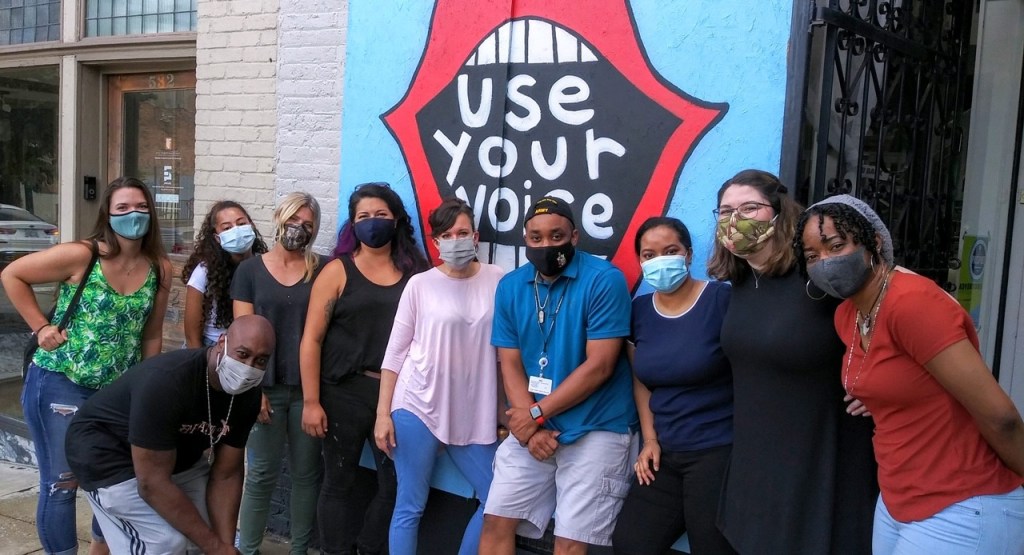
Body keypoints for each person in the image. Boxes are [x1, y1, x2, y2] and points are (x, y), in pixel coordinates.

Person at [796, 194, 1024, 553]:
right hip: (897, 498)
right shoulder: (848, 316)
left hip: (962, 502)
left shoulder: (911, 303)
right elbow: (900, 379)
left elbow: (1002, 417)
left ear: (874, 243)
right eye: (812, 257)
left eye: (835, 246)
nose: (824, 262)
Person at [707, 169, 876, 554]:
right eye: (725, 211)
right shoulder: (737, 285)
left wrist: (883, 382)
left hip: (823, 459)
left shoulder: (821, 277)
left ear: (780, 211)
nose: (736, 220)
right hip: (756, 462)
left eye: (750, 207)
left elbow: (901, 316)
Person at [1, 176, 172, 555]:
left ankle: (101, 549)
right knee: (62, 484)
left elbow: (152, 335)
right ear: (108, 215)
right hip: (61, 381)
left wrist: (147, 389)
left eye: (141, 207)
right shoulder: (84, 254)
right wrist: (41, 326)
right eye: (123, 208)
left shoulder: (160, 267)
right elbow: (12, 275)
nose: (133, 215)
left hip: (117, 394)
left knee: (111, 483)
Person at [478, 196, 638, 554]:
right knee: (495, 521)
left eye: (556, 236)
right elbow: (511, 361)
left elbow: (600, 366)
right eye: (536, 238)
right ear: (525, 239)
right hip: (534, 425)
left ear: (575, 237)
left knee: (568, 544)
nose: (546, 245)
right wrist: (529, 427)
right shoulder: (512, 286)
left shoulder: (604, 280)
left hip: (595, 427)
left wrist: (535, 415)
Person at [64, 314, 275, 555]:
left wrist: (223, 547)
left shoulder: (248, 395)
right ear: (221, 342)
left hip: (171, 458)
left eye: (261, 361)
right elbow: (151, 483)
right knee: (164, 544)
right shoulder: (168, 381)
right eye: (242, 354)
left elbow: (226, 475)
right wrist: (215, 547)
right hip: (106, 454)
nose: (248, 368)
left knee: (203, 534)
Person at [300, 182, 429, 555]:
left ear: (397, 220)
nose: (373, 223)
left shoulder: (416, 275)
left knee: (394, 487)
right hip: (342, 392)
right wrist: (311, 401)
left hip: (397, 395)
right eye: (364, 217)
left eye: (381, 215)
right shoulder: (337, 271)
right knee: (338, 481)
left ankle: (369, 549)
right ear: (352, 225)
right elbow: (311, 339)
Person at [372, 198, 503, 555]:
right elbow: (395, 353)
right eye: (447, 234)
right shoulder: (420, 285)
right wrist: (383, 415)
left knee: (498, 500)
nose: (455, 240)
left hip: (474, 411)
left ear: (475, 236)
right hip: (417, 406)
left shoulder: (499, 280)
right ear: (435, 243)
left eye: (462, 232)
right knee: (409, 506)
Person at [612, 217, 735, 555]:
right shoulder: (638, 311)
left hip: (716, 451)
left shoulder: (721, 300)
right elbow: (641, 381)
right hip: (663, 453)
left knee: (711, 547)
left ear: (688, 255)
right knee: (630, 544)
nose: (659, 260)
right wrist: (649, 441)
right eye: (648, 254)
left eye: (670, 251)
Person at [233, 192, 325, 555]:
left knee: (306, 478)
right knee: (260, 476)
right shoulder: (249, 271)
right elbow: (241, 338)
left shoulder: (322, 269)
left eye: (306, 224)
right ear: (278, 218)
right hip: (264, 391)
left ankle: (300, 550)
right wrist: (251, 392)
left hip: (308, 392)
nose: (298, 229)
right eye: (292, 221)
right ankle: (248, 548)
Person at [182, 201, 268, 348]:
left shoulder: (266, 264)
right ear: (217, 238)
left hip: (254, 347)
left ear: (251, 226)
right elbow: (192, 336)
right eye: (227, 228)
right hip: (211, 347)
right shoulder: (204, 271)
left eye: (241, 224)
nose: (236, 231)